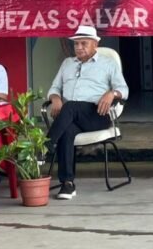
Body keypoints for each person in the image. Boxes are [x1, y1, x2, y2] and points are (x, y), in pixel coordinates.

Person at [46, 25, 128, 201]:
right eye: (76, 44)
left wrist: (112, 93)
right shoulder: (67, 64)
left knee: (70, 107)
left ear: (95, 45)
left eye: (84, 43)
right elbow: (54, 88)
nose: (79, 47)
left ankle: (45, 146)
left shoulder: (108, 64)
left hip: (96, 115)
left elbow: (124, 89)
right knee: (67, 131)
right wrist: (55, 98)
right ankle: (67, 183)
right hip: (70, 116)